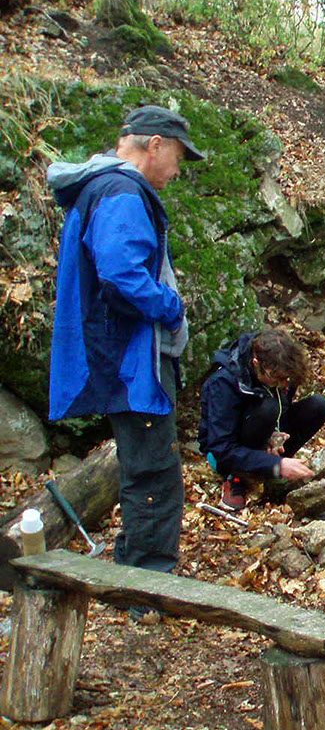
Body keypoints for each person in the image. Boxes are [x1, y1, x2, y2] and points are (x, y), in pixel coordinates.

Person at [47, 105, 205, 576]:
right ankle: (148, 580)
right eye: (176, 157)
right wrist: (171, 307)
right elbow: (120, 275)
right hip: (133, 360)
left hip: (118, 354)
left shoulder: (98, 186)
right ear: (154, 144)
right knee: (155, 472)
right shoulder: (121, 191)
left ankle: (131, 564)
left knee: (142, 466)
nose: (177, 171)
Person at [199, 329, 325, 512]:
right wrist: (276, 464)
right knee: (268, 408)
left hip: (264, 434)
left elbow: (283, 408)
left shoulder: (280, 372)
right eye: (278, 379)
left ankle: (269, 469)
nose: (284, 384)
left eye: (287, 379)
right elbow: (221, 448)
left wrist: (275, 438)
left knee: (318, 406)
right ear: (256, 363)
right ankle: (237, 479)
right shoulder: (223, 383)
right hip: (227, 452)